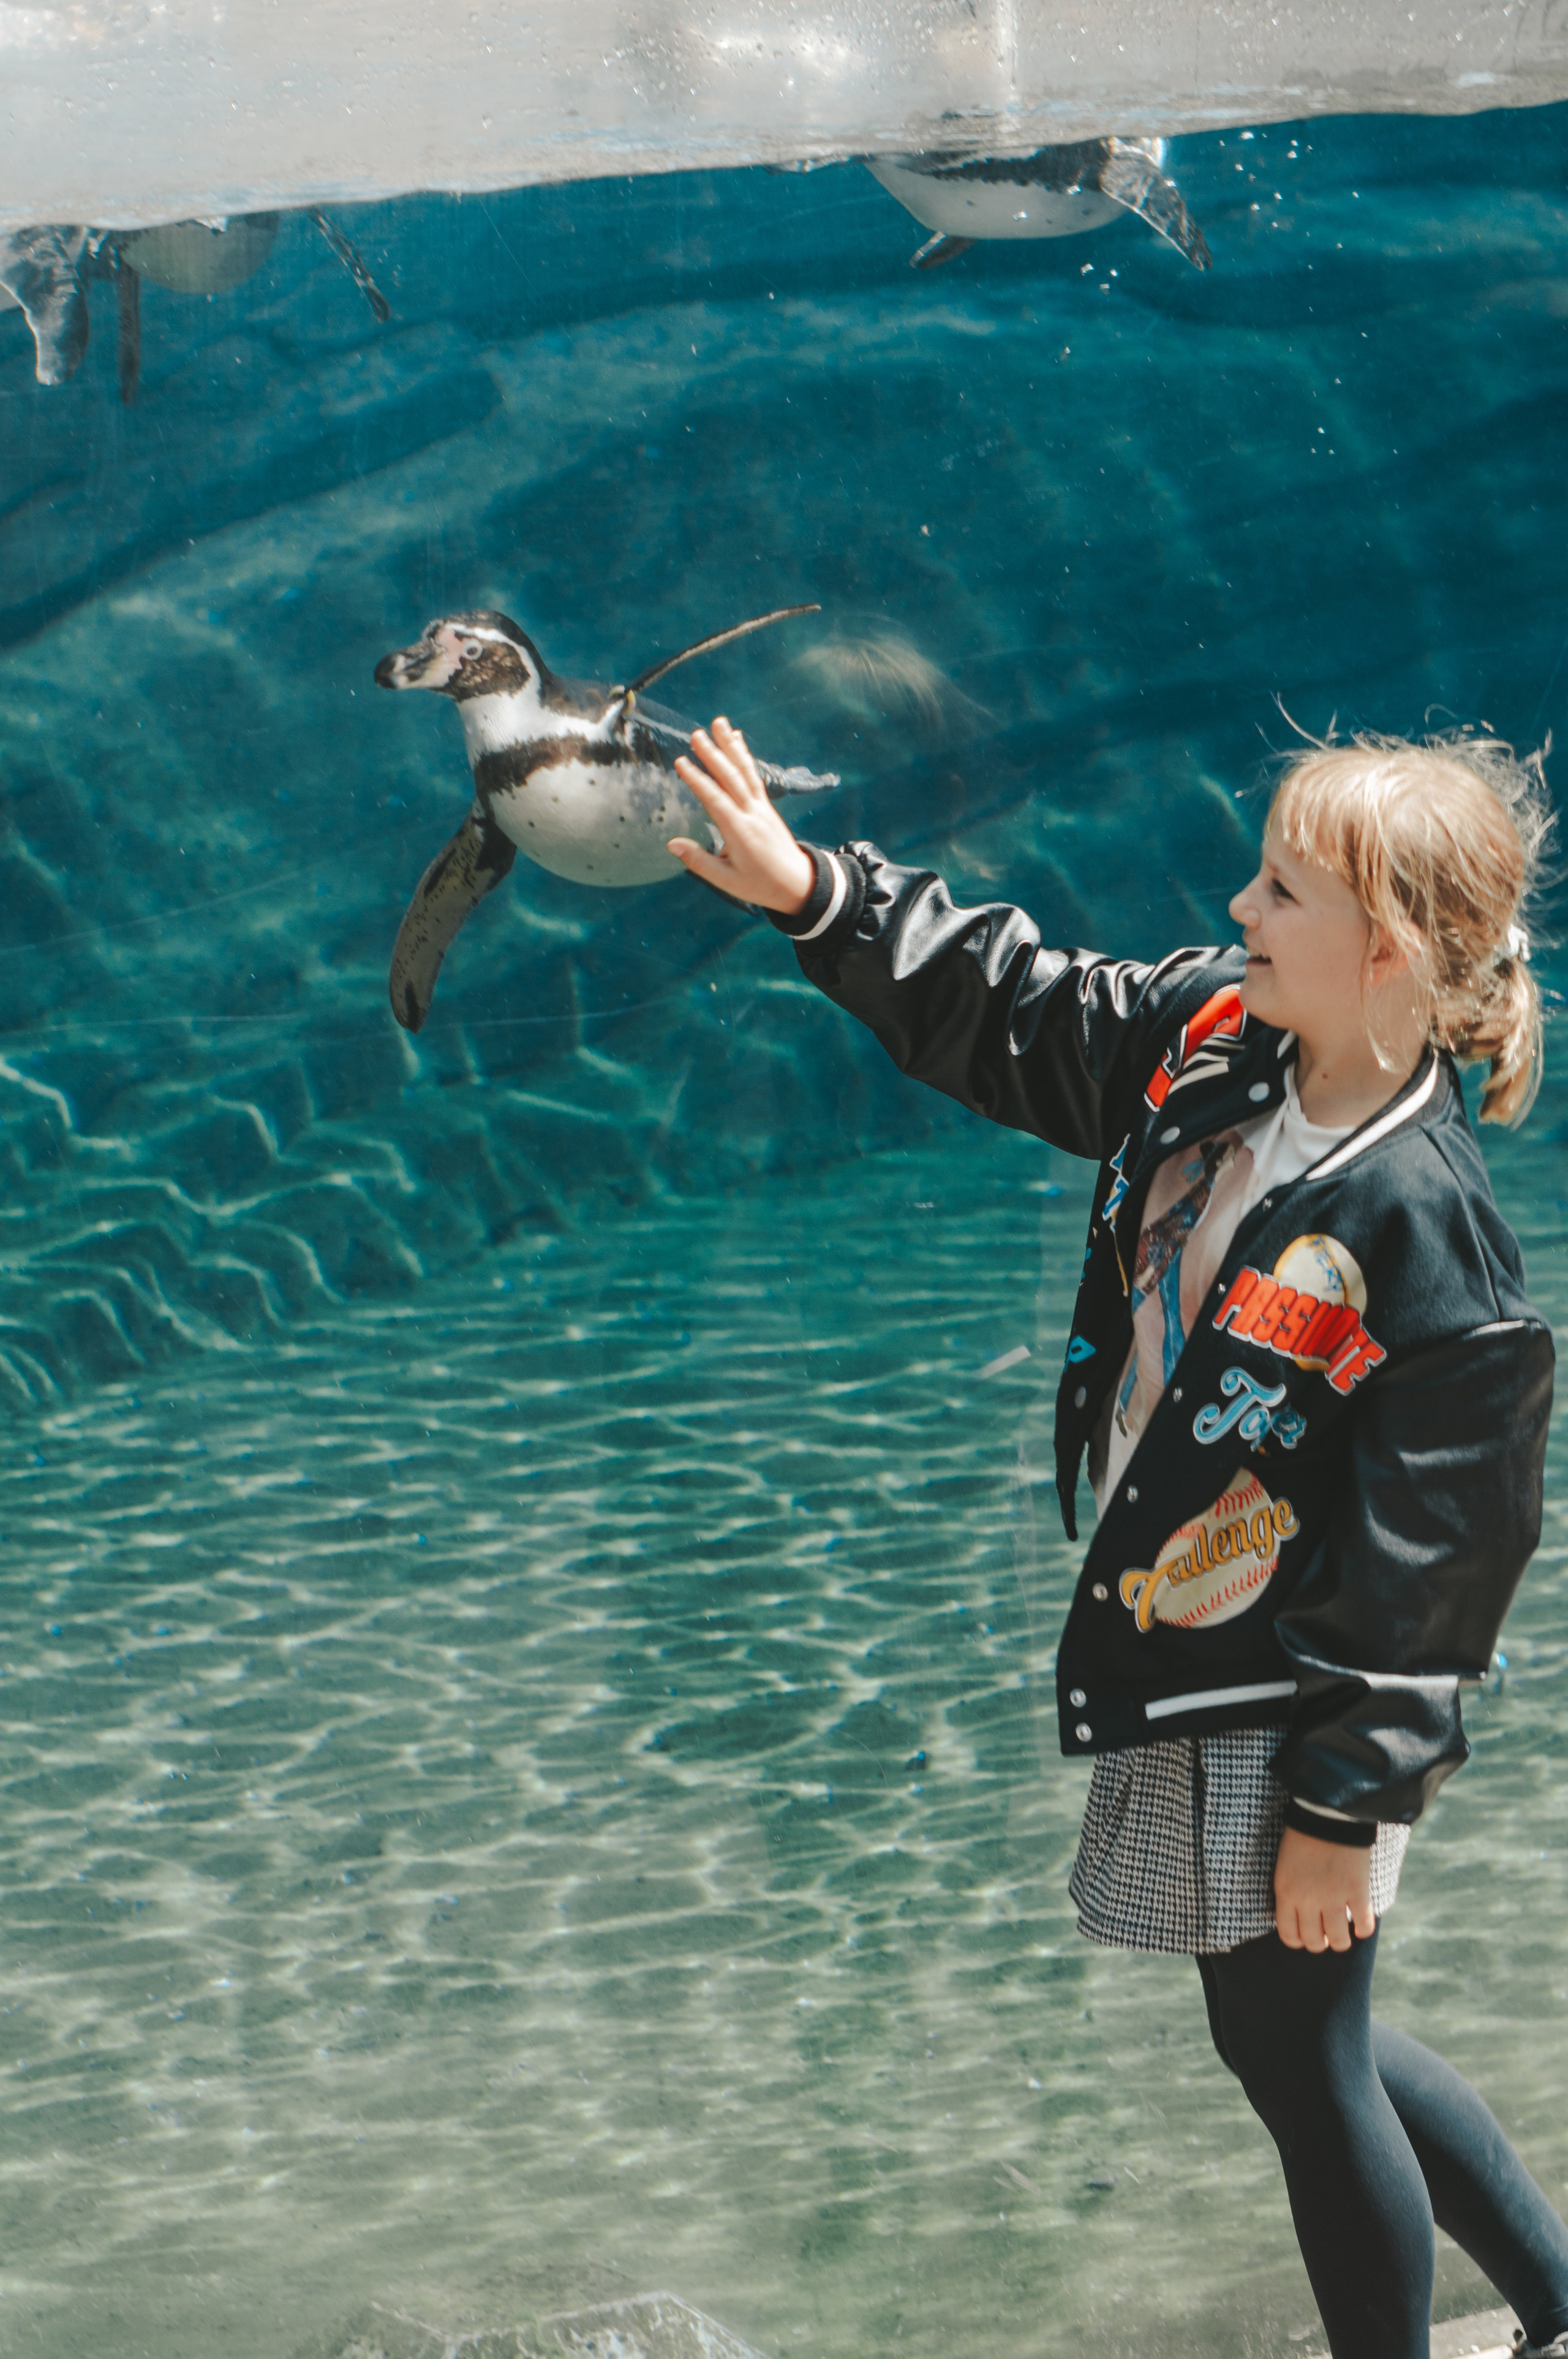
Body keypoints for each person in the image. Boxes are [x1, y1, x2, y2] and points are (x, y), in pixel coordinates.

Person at [668, 718, 1568, 2359]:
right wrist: (820, 895)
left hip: (1298, 1690)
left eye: (1280, 888)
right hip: (1201, 1635)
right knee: (1297, 2032)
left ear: (1385, 950)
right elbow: (1023, 1010)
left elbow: (1444, 1557)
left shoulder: (1428, 1225)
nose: (1239, 904)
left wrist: (1350, 1806)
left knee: (1298, 2045)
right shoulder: (1222, 1045)